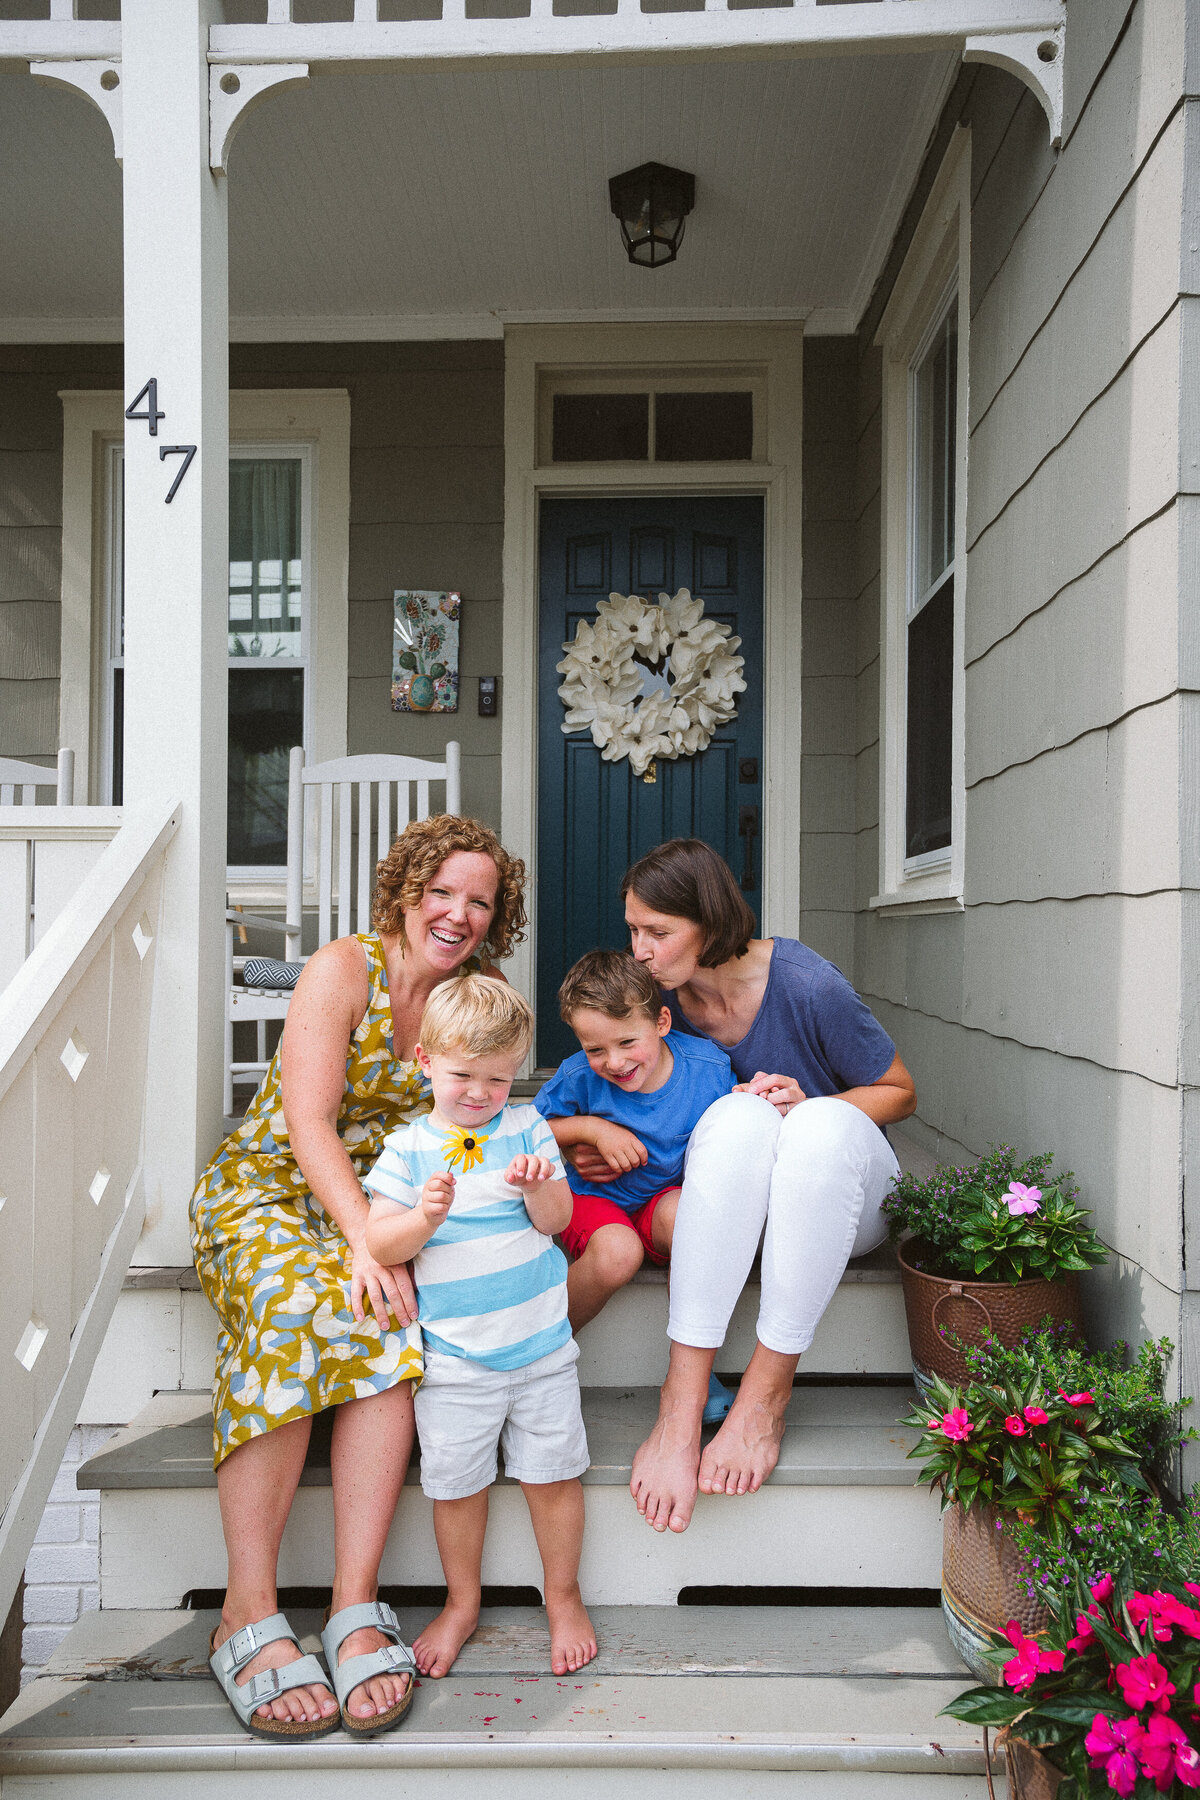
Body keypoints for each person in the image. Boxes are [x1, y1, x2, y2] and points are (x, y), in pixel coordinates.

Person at [190, 815, 525, 1739]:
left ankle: (350, 1605)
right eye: (443, 891)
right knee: (303, 1305)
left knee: (390, 1322)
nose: (457, 914)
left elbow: (483, 1108)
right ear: (407, 890)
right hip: (269, 1191)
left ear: (497, 918)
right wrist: (363, 1240)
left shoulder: (478, 992)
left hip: (384, 1200)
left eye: (480, 901)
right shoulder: (345, 969)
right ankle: (246, 1612)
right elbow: (307, 1124)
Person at [584, 838, 917, 1536]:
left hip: (840, 1189)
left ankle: (764, 1398)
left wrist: (811, 1105)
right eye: (633, 931)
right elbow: (608, 1078)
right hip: (744, 1208)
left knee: (815, 1125)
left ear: (709, 921)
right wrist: (594, 1143)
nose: (639, 950)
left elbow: (900, 1091)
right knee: (736, 1115)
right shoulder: (655, 1000)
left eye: (658, 932)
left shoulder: (806, 983)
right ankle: (681, 1408)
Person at [364, 975, 596, 1681]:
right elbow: (381, 1246)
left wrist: (539, 1188)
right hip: (457, 1363)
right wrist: (423, 1219)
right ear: (425, 1060)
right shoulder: (408, 1148)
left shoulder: (526, 1127)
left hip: (542, 1351)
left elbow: (558, 1223)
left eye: (498, 1079)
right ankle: (462, 1602)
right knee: (457, 1487)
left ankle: (563, 1596)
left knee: (552, 1480)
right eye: (463, 1074)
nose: (479, 1093)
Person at [533, 951, 733, 1386]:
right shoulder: (576, 1078)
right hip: (592, 1198)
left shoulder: (709, 1070)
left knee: (689, 1218)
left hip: (661, 1202)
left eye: (627, 1042)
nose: (615, 1062)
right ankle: (535, 1353)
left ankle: (697, 1368)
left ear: (662, 1022)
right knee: (619, 1253)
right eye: (595, 1049)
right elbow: (526, 1128)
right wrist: (588, 1128)